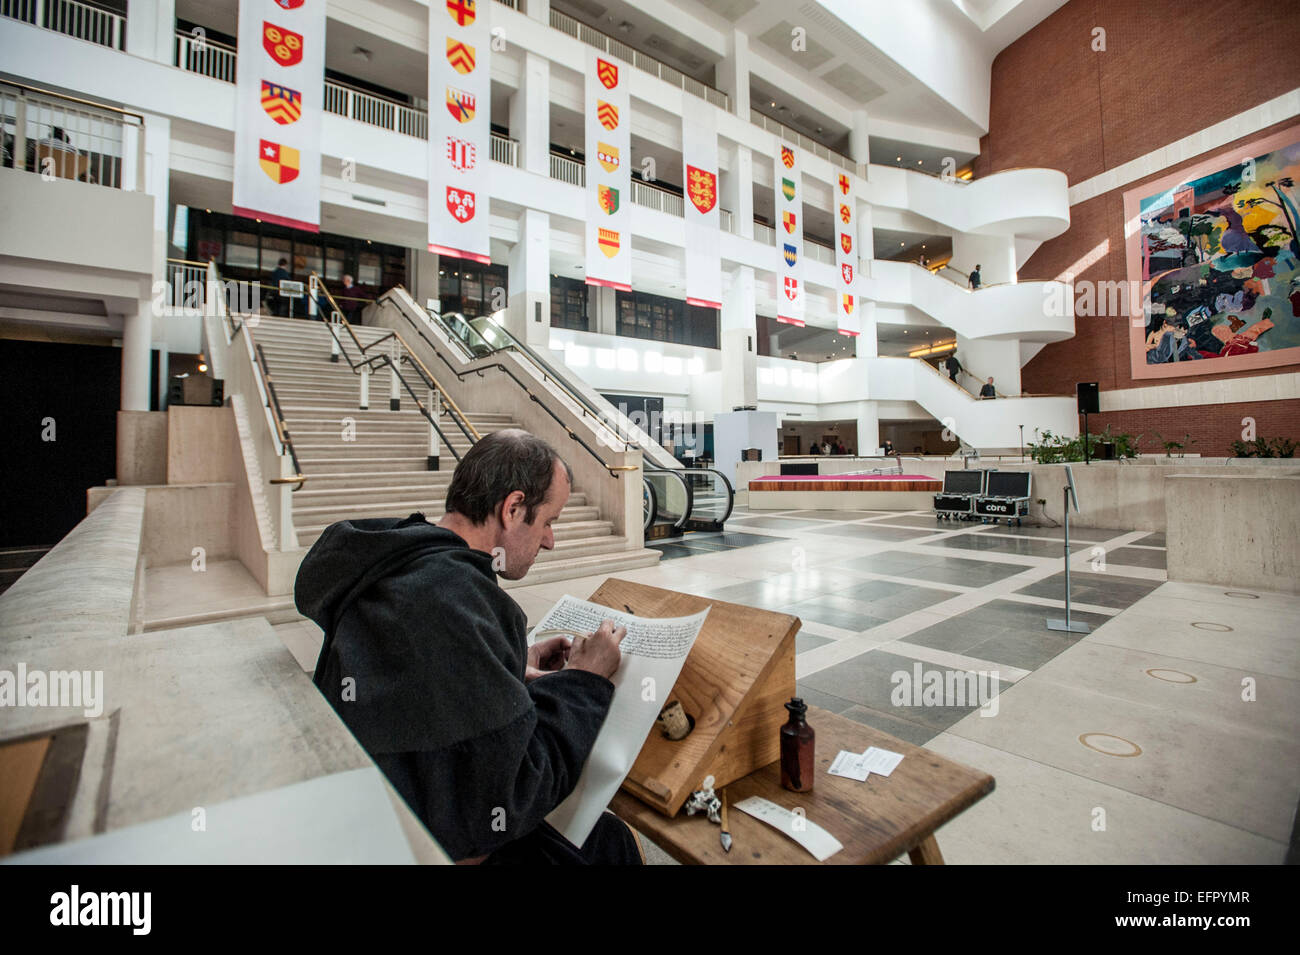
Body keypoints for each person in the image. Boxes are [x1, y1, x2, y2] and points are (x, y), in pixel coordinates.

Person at [296, 430, 642, 865]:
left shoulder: (401, 563)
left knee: (606, 833)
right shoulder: (456, 599)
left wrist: (506, 665)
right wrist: (584, 681)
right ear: (513, 508)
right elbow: (512, 793)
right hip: (427, 845)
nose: (551, 540)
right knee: (610, 847)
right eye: (548, 521)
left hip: (371, 811)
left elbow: (423, 686)